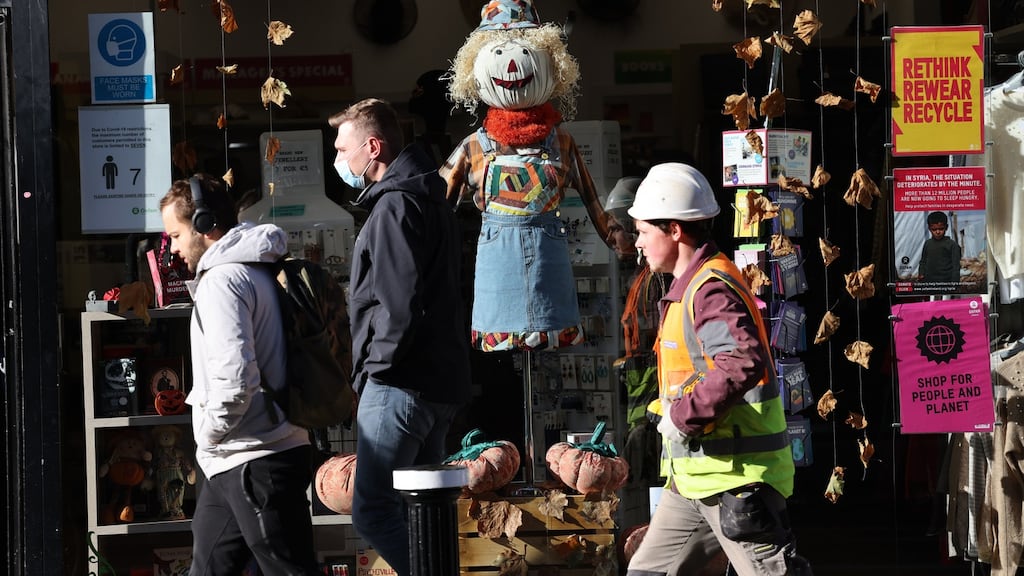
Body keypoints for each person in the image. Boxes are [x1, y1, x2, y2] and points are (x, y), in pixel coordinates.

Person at [625, 163, 811, 576]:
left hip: (736, 480)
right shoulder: (693, 286)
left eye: (642, 231)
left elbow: (741, 360)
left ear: (674, 230)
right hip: (696, 481)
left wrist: (683, 417)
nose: (637, 243)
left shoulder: (708, 289)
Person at [328, 97, 472, 575]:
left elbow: (398, 305)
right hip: (435, 384)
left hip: (399, 385)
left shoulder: (394, 207)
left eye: (343, 148)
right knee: (424, 515)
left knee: (372, 511)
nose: (339, 160)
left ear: (373, 146)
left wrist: (375, 371)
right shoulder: (429, 197)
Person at [159, 174, 320, 575]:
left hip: (253, 458)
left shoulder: (222, 282)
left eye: (176, 235)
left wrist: (208, 436)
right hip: (240, 458)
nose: (172, 249)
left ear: (203, 225)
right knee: (209, 567)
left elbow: (235, 383)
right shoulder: (257, 269)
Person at [918, 211, 961, 284]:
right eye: (934, 229)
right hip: (929, 281)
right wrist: (921, 273)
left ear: (946, 227)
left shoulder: (952, 245)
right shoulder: (927, 243)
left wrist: (955, 283)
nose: (938, 232)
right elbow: (923, 261)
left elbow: (956, 266)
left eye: (941, 229)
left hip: (946, 282)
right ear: (929, 228)